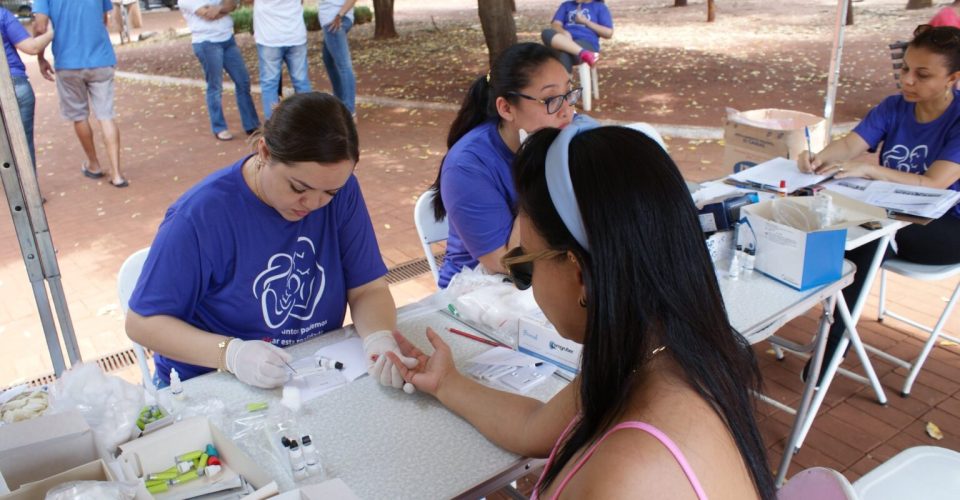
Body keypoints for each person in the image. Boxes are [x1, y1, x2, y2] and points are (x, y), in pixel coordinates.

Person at [389, 119, 775, 499]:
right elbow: (533, 426)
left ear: (579, 275)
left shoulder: (626, 476)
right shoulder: (662, 353)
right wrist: (447, 383)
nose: (526, 280)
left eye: (524, 265)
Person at [126, 92, 415, 390]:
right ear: (264, 153)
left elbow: (367, 288)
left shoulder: (340, 190)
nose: (314, 203)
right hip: (207, 382)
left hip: (311, 369)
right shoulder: (200, 216)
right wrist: (232, 354)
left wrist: (379, 338)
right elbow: (142, 323)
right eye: (298, 187)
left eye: (330, 193)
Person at [797, 24, 960, 383]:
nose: (908, 81)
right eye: (905, 70)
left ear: (953, 78)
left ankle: (833, 341)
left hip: (947, 226)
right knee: (815, 214)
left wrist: (872, 172)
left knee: (869, 239)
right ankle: (826, 325)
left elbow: (935, 183)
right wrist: (817, 158)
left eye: (922, 74)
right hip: (891, 213)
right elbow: (850, 147)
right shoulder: (894, 107)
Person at [428, 42, 578, 288]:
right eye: (551, 99)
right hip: (479, 297)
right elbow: (508, 263)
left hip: (546, 280)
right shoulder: (467, 167)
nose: (567, 112)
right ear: (506, 108)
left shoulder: (565, 131)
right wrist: (535, 174)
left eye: (569, 94)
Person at [33, 0, 128, 187]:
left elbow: (40, 26)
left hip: (68, 62)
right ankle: (117, 174)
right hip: (101, 59)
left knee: (79, 116)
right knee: (106, 115)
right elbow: (103, 18)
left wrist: (40, 56)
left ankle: (94, 165)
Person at [179, 0, 260, 141]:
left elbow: (233, 4)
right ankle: (219, 127)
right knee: (215, 86)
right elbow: (209, 15)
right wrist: (222, 8)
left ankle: (251, 125)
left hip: (228, 40)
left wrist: (218, 9)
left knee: (243, 81)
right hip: (206, 43)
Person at [0, 8, 54, 170]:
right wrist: (54, 31)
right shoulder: (2, 15)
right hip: (14, 84)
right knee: (22, 144)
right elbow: (32, 47)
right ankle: (30, 191)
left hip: (13, 85)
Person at [252, 0, 312, 119]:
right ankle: (308, 125)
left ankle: (273, 129)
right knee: (301, 82)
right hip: (295, 34)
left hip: (269, 37)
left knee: (270, 85)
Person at [541, 0, 613, 72]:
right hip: (563, 40)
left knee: (564, 54)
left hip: (587, 43)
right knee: (546, 33)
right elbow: (555, 25)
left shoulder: (600, 7)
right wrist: (564, 32)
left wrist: (586, 22)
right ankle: (584, 54)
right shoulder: (566, 5)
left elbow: (608, 33)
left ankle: (565, 82)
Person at [317, 0, 357, 117]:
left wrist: (340, 15)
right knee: (328, 59)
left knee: (344, 65)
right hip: (336, 18)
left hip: (334, 21)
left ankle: (349, 111)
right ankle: (339, 103)